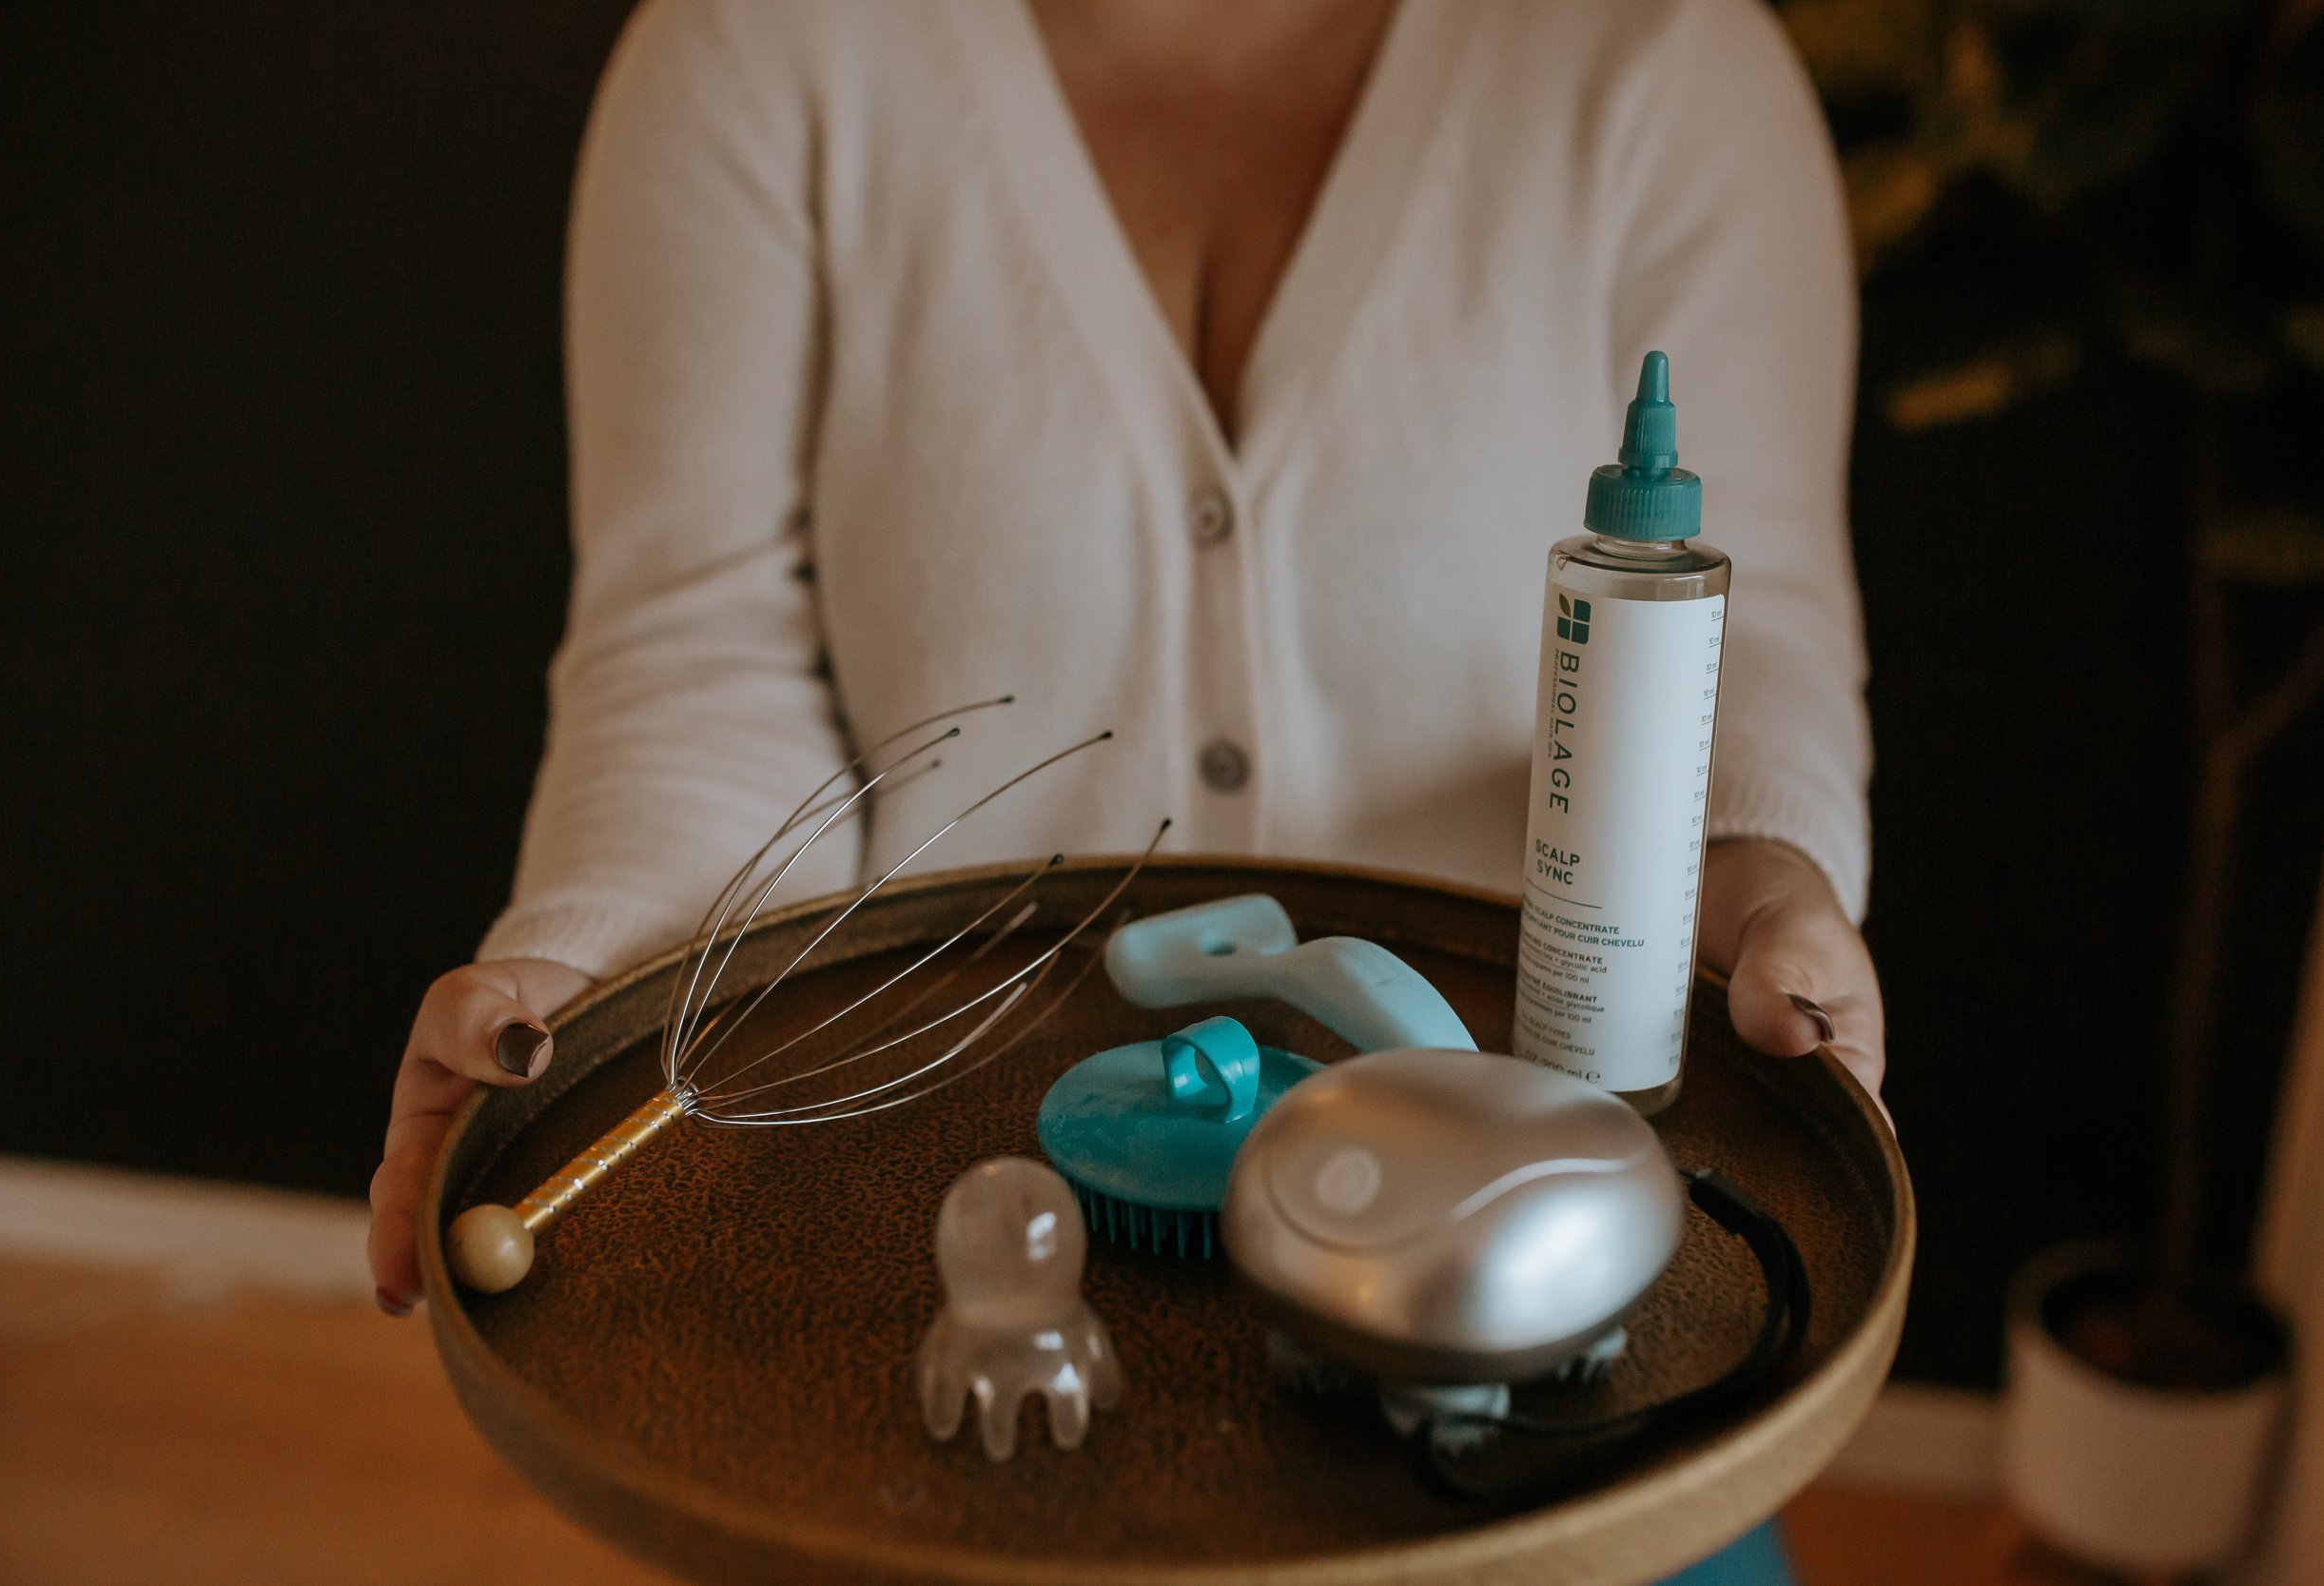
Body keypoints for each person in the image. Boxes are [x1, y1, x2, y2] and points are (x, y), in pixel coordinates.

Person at [370, 2, 1884, 1576]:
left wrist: (1758, 872)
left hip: (1527, 1283)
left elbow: (1744, 633)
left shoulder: (1665, 58)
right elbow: (703, 650)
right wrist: (600, 981)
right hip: (982, 1289)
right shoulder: (758, 53)